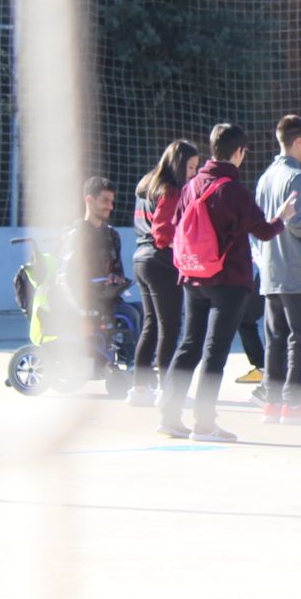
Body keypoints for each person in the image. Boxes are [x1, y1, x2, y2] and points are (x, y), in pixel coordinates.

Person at [158, 123, 297, 443]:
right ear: (239, 152)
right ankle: (204, 424)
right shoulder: (233, 190)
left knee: (189, 344)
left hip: (193, 275)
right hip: (228, 278)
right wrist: (282, 217)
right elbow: (263, 231)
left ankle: (168, 415)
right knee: (215, 350)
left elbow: (177, 223)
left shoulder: (192, 185)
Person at [254, 114, 301, 424]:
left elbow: (257, 225)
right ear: (297, 141)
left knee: (275, 338)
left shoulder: (265, 176)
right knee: (299, 337)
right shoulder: (298, 177)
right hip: (294, 267)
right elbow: (297, 221)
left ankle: (272, 403)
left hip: (269, 269)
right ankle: (293, 404)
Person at [129, 140, 198, 406]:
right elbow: (161, 234)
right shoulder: (170, 190)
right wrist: (181, 246)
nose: (193, 173)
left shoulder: (147, 184)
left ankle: (139, 388)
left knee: (151, 325)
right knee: (170, 327)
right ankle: (167, 391)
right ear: (178, 165)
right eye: (191, 167)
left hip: (141, 260)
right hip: (161, 262)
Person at [59, 176, 129, 322]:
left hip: (108, 302)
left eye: (111, 201)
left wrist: (115, 278)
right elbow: (64, 278)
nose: (110, 206)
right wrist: (80, 310)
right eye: (105, 201)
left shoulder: (112, 235)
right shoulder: (75, 235)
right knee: (131, 317)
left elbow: (118, 271)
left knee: (139, 312)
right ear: (89, 199)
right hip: (84, 304)